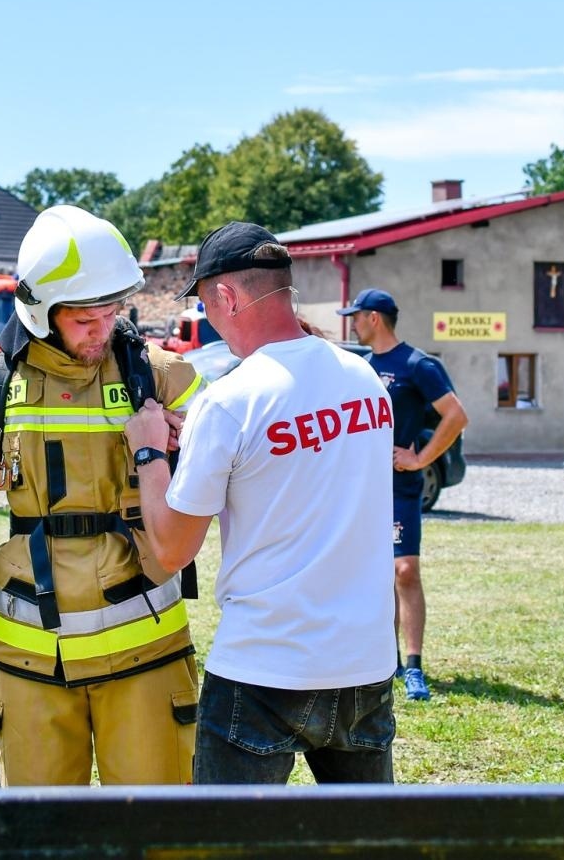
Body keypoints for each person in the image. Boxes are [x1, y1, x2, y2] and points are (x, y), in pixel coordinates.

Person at [0, 204, 207, 786]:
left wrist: (187, 441)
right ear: (40, 311)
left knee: (157, 828)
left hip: (148, 655)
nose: (103, 329)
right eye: (85, 319)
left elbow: (240, 463)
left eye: (111, 312)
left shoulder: (161, 376)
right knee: (37, 828)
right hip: (31, 660)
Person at [123, 222, 398, 785]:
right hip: (364, 665)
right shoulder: (364, 379)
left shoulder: (229, 401)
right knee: (368, 832)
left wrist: (148, 452)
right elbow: (304, 469)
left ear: (227, 296)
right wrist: (204, 443)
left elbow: (172, 549)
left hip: (265, 665)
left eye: (206, 305)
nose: (209, 319)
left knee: (230, 832)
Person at [338, 288, 468, 703]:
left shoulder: (417, 364)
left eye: (356, 316)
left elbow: (456, 415)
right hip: (363, 489)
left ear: (374, 318)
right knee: (373, 575)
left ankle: (414, 666)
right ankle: (386, 660)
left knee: (405, 570)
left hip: (400, 488)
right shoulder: (361, 367)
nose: (352, 324)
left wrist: (420, 459)